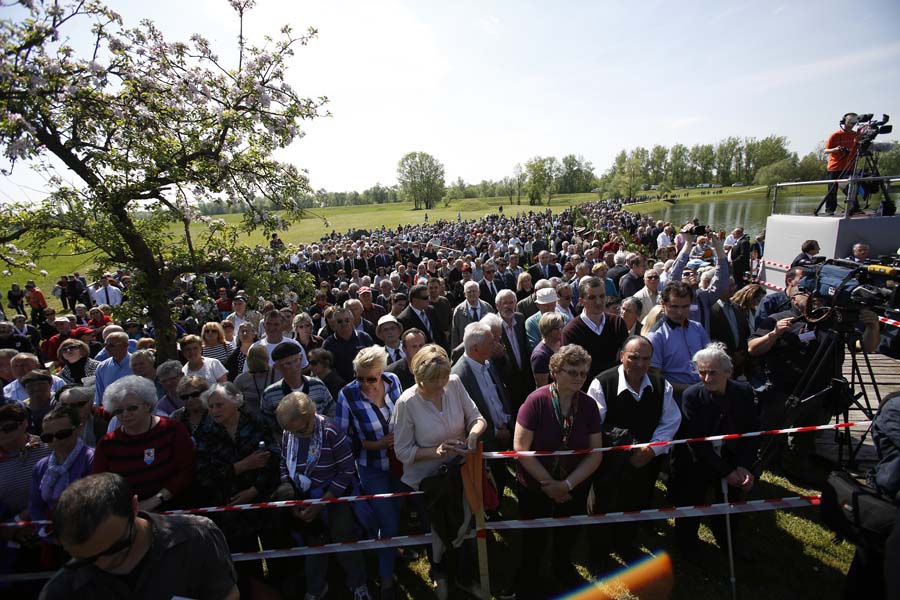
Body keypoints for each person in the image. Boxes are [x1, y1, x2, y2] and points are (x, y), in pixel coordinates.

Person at [38, 472, 239, 599]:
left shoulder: (196, 537)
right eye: (85, 559)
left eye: (115, 548)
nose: (104, 563)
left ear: (134, 507)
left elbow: (226, 594)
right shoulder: (62, 590)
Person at [392, 344, 487, 599]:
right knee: (438, 532)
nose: (439, 386)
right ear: (418, 377)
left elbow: (477, 418)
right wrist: (436, 451)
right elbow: (402, 451)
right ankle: (440, 575)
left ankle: (465, 577)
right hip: (428, 482)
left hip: (460, 472)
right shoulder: (406, 403)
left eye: (443, 379)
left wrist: (472, 436)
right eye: (433, 381)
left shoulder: (454, 383)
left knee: (464, 527)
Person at [513, 344, 603, 598]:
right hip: (536, 485)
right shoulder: (536, 401)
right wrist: (550, 485)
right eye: (572, 372)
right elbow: (520, 449)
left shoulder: (589, 406)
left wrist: (566, 485)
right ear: (555, 372)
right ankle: (529, 578)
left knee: (568, 534)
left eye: (583, 373)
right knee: (535, 539)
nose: (579, 378)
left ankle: (561, 568)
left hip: (574, 485)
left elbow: (596, 453)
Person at [586, 336, 680, 569]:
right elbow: (594, 425)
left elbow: (670, 421)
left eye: (646, 359)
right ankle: (599, 553)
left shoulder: (661, 385)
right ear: (622, 356)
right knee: (604, 504)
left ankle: (626, 544)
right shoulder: (602, 383)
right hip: (610, 462)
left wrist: (652, 449)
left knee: (635, 502)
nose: (640, 364)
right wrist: (629, 450)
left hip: (646, 461)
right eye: (634, 358)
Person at [275, 392, 373, 600]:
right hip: (303, 498)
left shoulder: (330, 431)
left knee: (343, 539)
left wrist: (322, 503)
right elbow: (284, 463)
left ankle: (358, 584)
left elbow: (347, 470)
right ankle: (316, 588)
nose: (298, 435)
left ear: (311, 414)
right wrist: (291, 495)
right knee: (314, 545)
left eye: (302, 429)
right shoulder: (289, 434)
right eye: (293, 431)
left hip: (334, 496)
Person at [668, 343, 760, 554]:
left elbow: (752, 432)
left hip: (731, 457)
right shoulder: (692, 396)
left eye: (713, 373)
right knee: (691, 501)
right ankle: (687, 547)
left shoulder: (744, 392)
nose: (707, 378)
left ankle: (727, 541)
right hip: (697, 460)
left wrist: (743, 466)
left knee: (730, 504)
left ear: (728, 372)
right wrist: (726, 472)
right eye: (702, 373)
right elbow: (697, 442)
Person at [334, 347, 406, 599]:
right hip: (371, 467)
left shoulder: (394, 381)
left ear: (382, 372)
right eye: (360, 378)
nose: (365, 384)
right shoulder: (347, 395)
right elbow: (342, 438)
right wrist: (373, 444)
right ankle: (386, 581)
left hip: (400, 464)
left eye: (371, 379)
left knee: (394, 516)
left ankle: (389, 549)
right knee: (388, 521)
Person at [193, 383, 279, 575]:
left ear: (235, 402)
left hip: (265, 499)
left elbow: (274, 460)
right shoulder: (205, 432)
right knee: (244, 567)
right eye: (211, 406)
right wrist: (241, 466)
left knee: (279, 557)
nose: (214, 410)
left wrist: (255, 490)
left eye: (219, 405)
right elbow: (204, 474)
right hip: (229, 507)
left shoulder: (258, 422)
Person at [92, 376, 194, 510]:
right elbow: (100, 483)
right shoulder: (107, 444)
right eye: (118, 411)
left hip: (174, 509)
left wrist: (156, 500)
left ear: (148, 405)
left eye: (132, 408)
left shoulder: (173, 429)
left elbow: (186, 471)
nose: (125, 414)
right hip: (129, 513)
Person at [29, 404, 95, 523]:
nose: (55, 440)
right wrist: (42, 529)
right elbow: (36, 507)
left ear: (79, 429)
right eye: (48, 437)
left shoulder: (91, 459)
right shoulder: (41, 467)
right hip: (50, 528)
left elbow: (95, 503)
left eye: (62, 434)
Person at [561, 276, 629, 387]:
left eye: (602, 296)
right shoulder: (571, 331)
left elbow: (626, 355)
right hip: (586, 388)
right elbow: (572, 367)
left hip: (615, 385)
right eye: (592, 297)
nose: (598, 302)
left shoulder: (617, 323)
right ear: (581, 301)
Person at [261, 342, 334, 438]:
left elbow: (332, 412)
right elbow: (267, 428)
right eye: (287, 364)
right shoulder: (270, 394)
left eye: (296, 361)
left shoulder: (318, 385)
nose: (294, 367)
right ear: (277, 366)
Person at [819, 112, 861, 216]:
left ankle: (855, 208)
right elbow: (825, 150)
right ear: (844, 122)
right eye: (850, 122)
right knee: (832, 190)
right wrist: (836, 149)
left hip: (849, 166)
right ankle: (830, 210)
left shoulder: (856, 135)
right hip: (834, 167)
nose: (852, 125)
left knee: (850, 189)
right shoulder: (835, 135)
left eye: (854, 123)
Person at [322, 306, 374, 383]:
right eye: (339, 321)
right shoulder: (328, 343)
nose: (344, 323)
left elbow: (374, 360)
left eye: (347, 320)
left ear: (352, 321)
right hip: (340, 387)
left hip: (365, 383)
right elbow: (326, 369)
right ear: (334, 323)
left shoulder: (364, 337)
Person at [233, 345, 276, 416]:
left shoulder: (278, 374)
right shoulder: (240, 380)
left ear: (267, 360)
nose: (258, 374)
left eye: (262, 371)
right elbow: (235, 403)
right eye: (254, 372)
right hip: (250, 418)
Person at [93, 332, 133, 406]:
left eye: (111, 345)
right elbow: (99, 395)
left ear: (125, 345)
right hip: (110, 409)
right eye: (105, 345)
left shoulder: (137, 364)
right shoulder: (102, 367)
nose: (106, 348)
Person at [450, 280, 493, 349]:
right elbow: (455, 334)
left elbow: (494, 329)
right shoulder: (458, 311)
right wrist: (455, 351)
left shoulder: (487, 307)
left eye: (474, 291)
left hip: (486, 348)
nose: (472, 294)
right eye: (469, 292)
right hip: (467, 349)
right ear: (464, 294)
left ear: (479, 292)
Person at [532, 312, 564, 387]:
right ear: (547, 330)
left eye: (562, 326)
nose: (561, 330)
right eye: (557, 328)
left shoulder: (562, 343)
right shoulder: (540, 356)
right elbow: (542, 386)